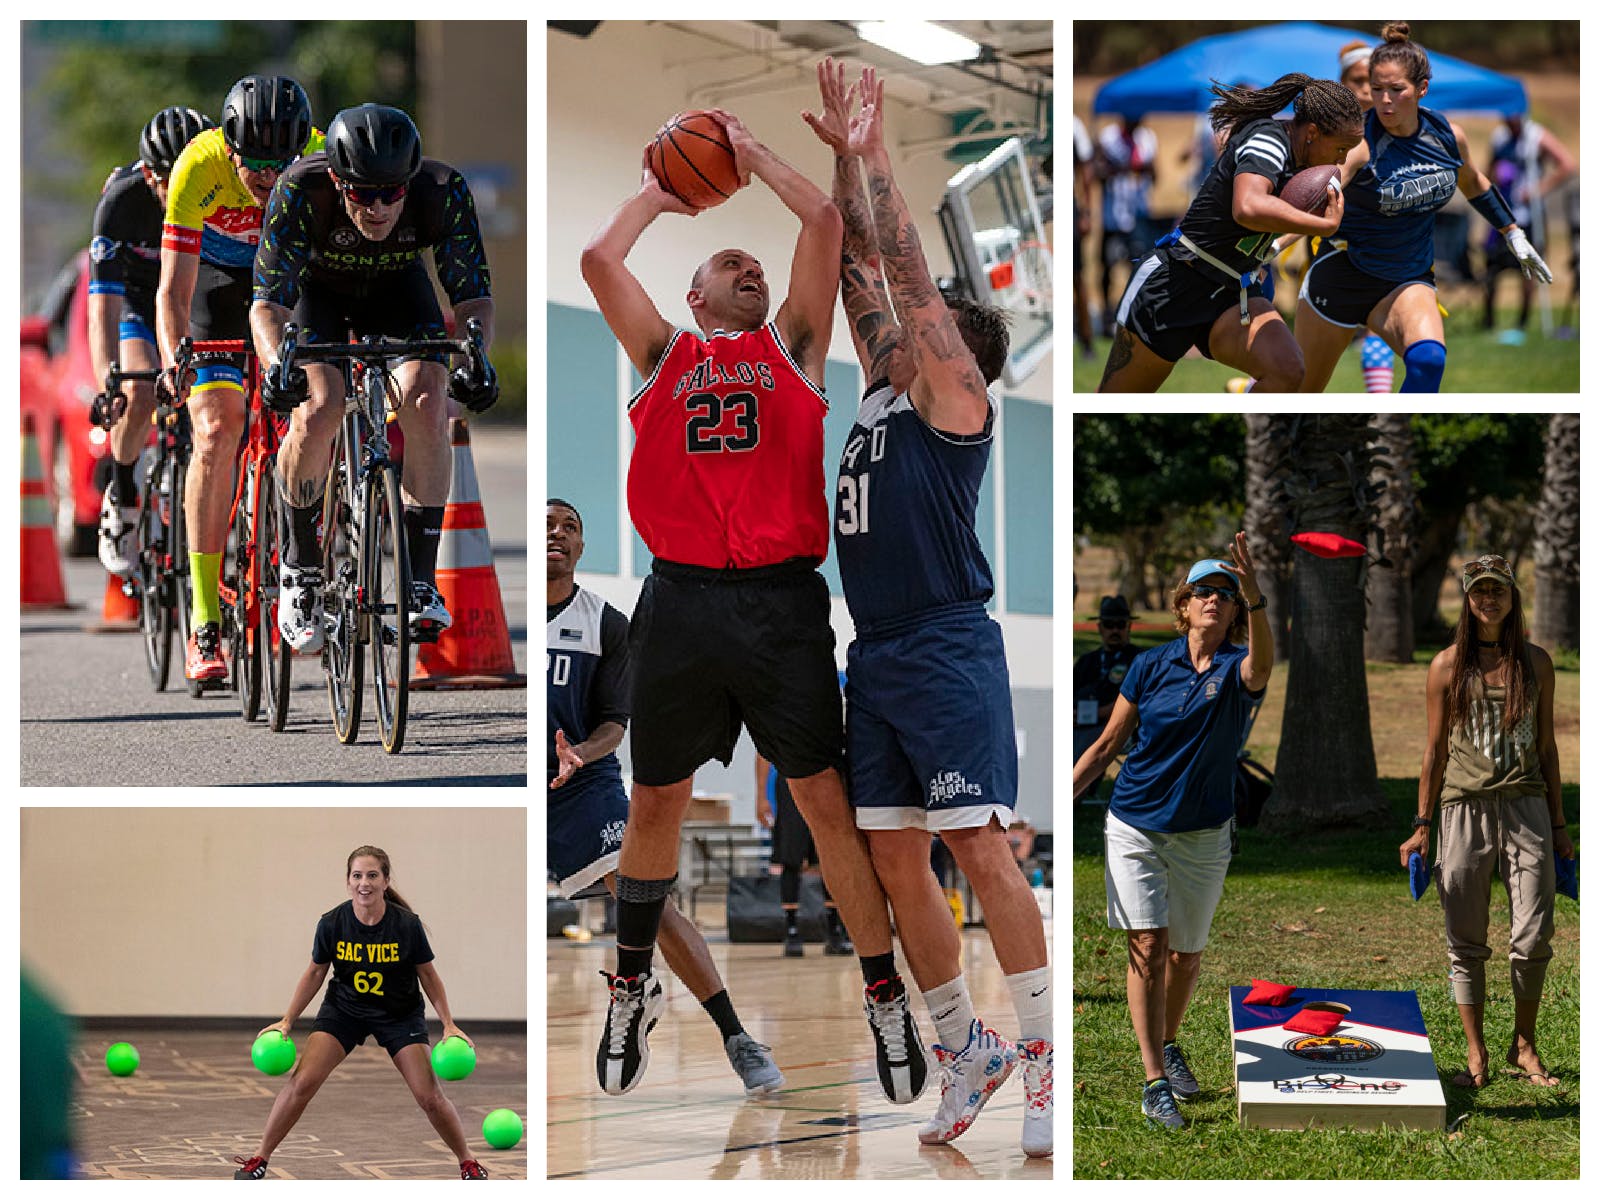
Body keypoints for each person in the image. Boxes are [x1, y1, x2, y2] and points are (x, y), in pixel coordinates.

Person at [578, 108, 917, 1102]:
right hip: (678, 601)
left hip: (780, 604)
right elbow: (600, 260)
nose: (750, 270)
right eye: (730, 263)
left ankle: (883, 993)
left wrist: (755, 155)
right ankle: (631, 985)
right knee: (656, 804)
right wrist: (666, 189)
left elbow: (821, 226)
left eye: (754, 267)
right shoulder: (661, 356)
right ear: (693, 293)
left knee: (823, 806)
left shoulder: (795, 348)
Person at [806, 60, 1051, 1156]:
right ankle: (969, 1054)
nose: (903, 324)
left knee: (981, 852)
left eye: (928, 321)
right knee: (896, 861)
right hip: (879, 656)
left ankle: (1045, 1061)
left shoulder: (954, 396)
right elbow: (863, 260)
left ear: (957, 351)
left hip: (949, 643)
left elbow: (899, 261)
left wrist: (879, 148)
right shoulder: (880, 390)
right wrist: (829, 151)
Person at [546, 499, 785, 1095]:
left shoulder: (605, 623)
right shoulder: (515, 619)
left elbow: (613, 724)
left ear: (582, 549)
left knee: (644, 899)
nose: (557, 533)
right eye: (547, 525)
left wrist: (581, 752)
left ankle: (736, 1036)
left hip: (582, 785)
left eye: (570, 527)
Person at [251, 103, 498, 649]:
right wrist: (276, 367)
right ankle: (300, 566)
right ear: (337, 181)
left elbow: (474, 298)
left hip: (399, 292)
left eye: (393, 192)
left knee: (428, 402)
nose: (382, 206)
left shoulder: (441, 190)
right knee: (319, 405)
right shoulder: (300, 190)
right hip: (319, 295)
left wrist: (477, 356)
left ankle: (418, 580)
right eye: (364, 193)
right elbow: (267, 305)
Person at [1071, 537, 1273, 1132]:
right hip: (1134, 823)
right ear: (1183, 606)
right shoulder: (1148, 665)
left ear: (1236, 612)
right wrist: (1057, 801)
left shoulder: (1239, 671)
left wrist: (1257, 596)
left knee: (1187, 955)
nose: (1215, 600)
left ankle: (1171, 1040)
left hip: (1204, 835)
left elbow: (1265, 665)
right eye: (1204, 592)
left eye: (1226, 595)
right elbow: (1107, 744)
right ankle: (1155, 1079)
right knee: (1151, 945)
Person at [157, 75, 319, 684]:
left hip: (287, 288)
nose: (270, 182)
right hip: (218, 289)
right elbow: (173, 289)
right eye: (256, 170)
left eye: (284, 166)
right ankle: (204, 618)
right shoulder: (196, 167)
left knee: (316, 408)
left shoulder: (323, 156)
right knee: (219, 428)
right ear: (229, 149)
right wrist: (178, 358)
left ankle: (312, 555)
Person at [1294, 23, 1554, 392]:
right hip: (1344, 274)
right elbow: (1310, 200)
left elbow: (1473, 182)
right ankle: (1249, 394)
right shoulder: (1358, 144)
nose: (1382, 99)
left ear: (1421, 89)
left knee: (1428, 363)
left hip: (1407, 278)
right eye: (1376, 88)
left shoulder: (1447, 135)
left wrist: (1512, 232)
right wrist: (1268, 245)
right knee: (1298, 394)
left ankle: (1387, 437)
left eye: (1395, 90)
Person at [1399, 554, 1572, 1091]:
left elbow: (1546, 747)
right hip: (1462, 810)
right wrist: (1422, 824)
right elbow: (1432, 751)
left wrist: (1561, 826)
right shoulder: (1447, 665)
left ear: (1513, 597)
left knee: (1532, 933)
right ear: (1468, 601)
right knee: (1465, 938)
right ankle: (1476, 1052)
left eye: (1497, 590)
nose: (1488, 599)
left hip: (1527, 809)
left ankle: (1524, 1042)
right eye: (1478, 592)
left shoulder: (1536, 662)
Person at [231, 846, 488, 1180]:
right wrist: (287, 1021)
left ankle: (467, 1161)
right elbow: (314, 974)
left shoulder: (406, 925)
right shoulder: (332, 923)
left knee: (429, 1096)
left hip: (399, 1014)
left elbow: (428, 976)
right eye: (357, 875)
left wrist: (449, 1025)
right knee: (302, 1083)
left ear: (385, 881)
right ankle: (259, 1158)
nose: (364, 883)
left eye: (372, 875)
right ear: (348, 882)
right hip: (345, 1010)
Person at [1098, 74, 1362, 392]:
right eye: (1341, 147)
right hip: (1175, 284)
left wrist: (1262, 254)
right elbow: (1247, 207)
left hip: (1230, 292)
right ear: (1313, 133)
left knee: (1288, 370)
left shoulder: (1301, 157)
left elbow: (1262, 224)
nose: (1343, 159)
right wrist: (1323, 225)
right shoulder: (1269, 140)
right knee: (1112, 405)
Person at [90, 105, 214, 577]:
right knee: (138, 390)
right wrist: (108, 382)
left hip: (192, 296)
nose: (177, 189)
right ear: (147, 174)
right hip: (138, 301)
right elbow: (101, 303)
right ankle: (122, 497)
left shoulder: (219, 188)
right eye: (166, 179)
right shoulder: (121, 200)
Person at [1482, 112, 1576, 331]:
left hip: (1530, 217)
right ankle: (1488, 323)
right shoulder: (1500, 137)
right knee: (1492, 268)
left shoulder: (1537, 135)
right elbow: (1487, 172)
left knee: (1528, 269)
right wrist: (1496, 174)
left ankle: (1522, 324)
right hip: (1503, 215)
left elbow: (1566, 164)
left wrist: (1537, 190)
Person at [754, 752, 853, 957]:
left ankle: (835, 930)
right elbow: (763, 753)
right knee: (791, 859)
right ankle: (791, 930)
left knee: (829, 855)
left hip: (828, 777)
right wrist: (761, 796)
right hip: (791, 780)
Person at [1095, 114, 1158, 337]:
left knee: (1139, 269)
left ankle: (1134, 315)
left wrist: (1142, 167)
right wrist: (1118, 168)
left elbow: (1155, 174)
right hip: (1112, 216)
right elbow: (1097, 171)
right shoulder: (1108, 137)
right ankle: (1106, 316)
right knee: (1108, 267)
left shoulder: (1148, 138)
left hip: (1139, 214)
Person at [1073, 595, 1140, 799]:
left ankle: (1075, 793)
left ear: (1128, 627)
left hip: (1120, 728)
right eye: (1109, 625)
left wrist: (1100, 713)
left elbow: (1138, 699)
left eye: (1120, 625)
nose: (1114, 630)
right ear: (1100, 627)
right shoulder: (1087, 661)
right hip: (1079, 724)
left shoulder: (1139, 660)